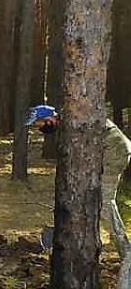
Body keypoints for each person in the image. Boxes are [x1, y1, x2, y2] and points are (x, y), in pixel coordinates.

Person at [28, 104, 131, 245]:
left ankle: (125, 249)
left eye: (37, 123)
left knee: (105, 200)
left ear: (48, 118)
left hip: (115, 151)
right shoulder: (64, 125)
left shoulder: (72, 123)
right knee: (83, 193)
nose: (38, 128)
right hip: (104, 152)